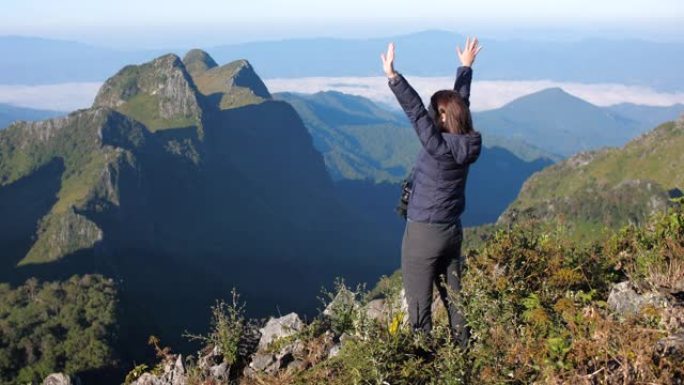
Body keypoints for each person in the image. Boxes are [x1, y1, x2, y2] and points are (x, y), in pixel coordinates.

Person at [381, 37, 483, 349]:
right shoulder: (467, 141)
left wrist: (393, 77)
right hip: (452, 232)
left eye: (434, 111)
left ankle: (423, 365)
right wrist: (465, 69)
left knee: (418, 306)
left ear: (440, 117)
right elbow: (459, 105)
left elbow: (415, 112)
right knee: (455, 300)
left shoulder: (437, 146)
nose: (430, 113)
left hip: (423, 233)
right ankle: (464, 357)